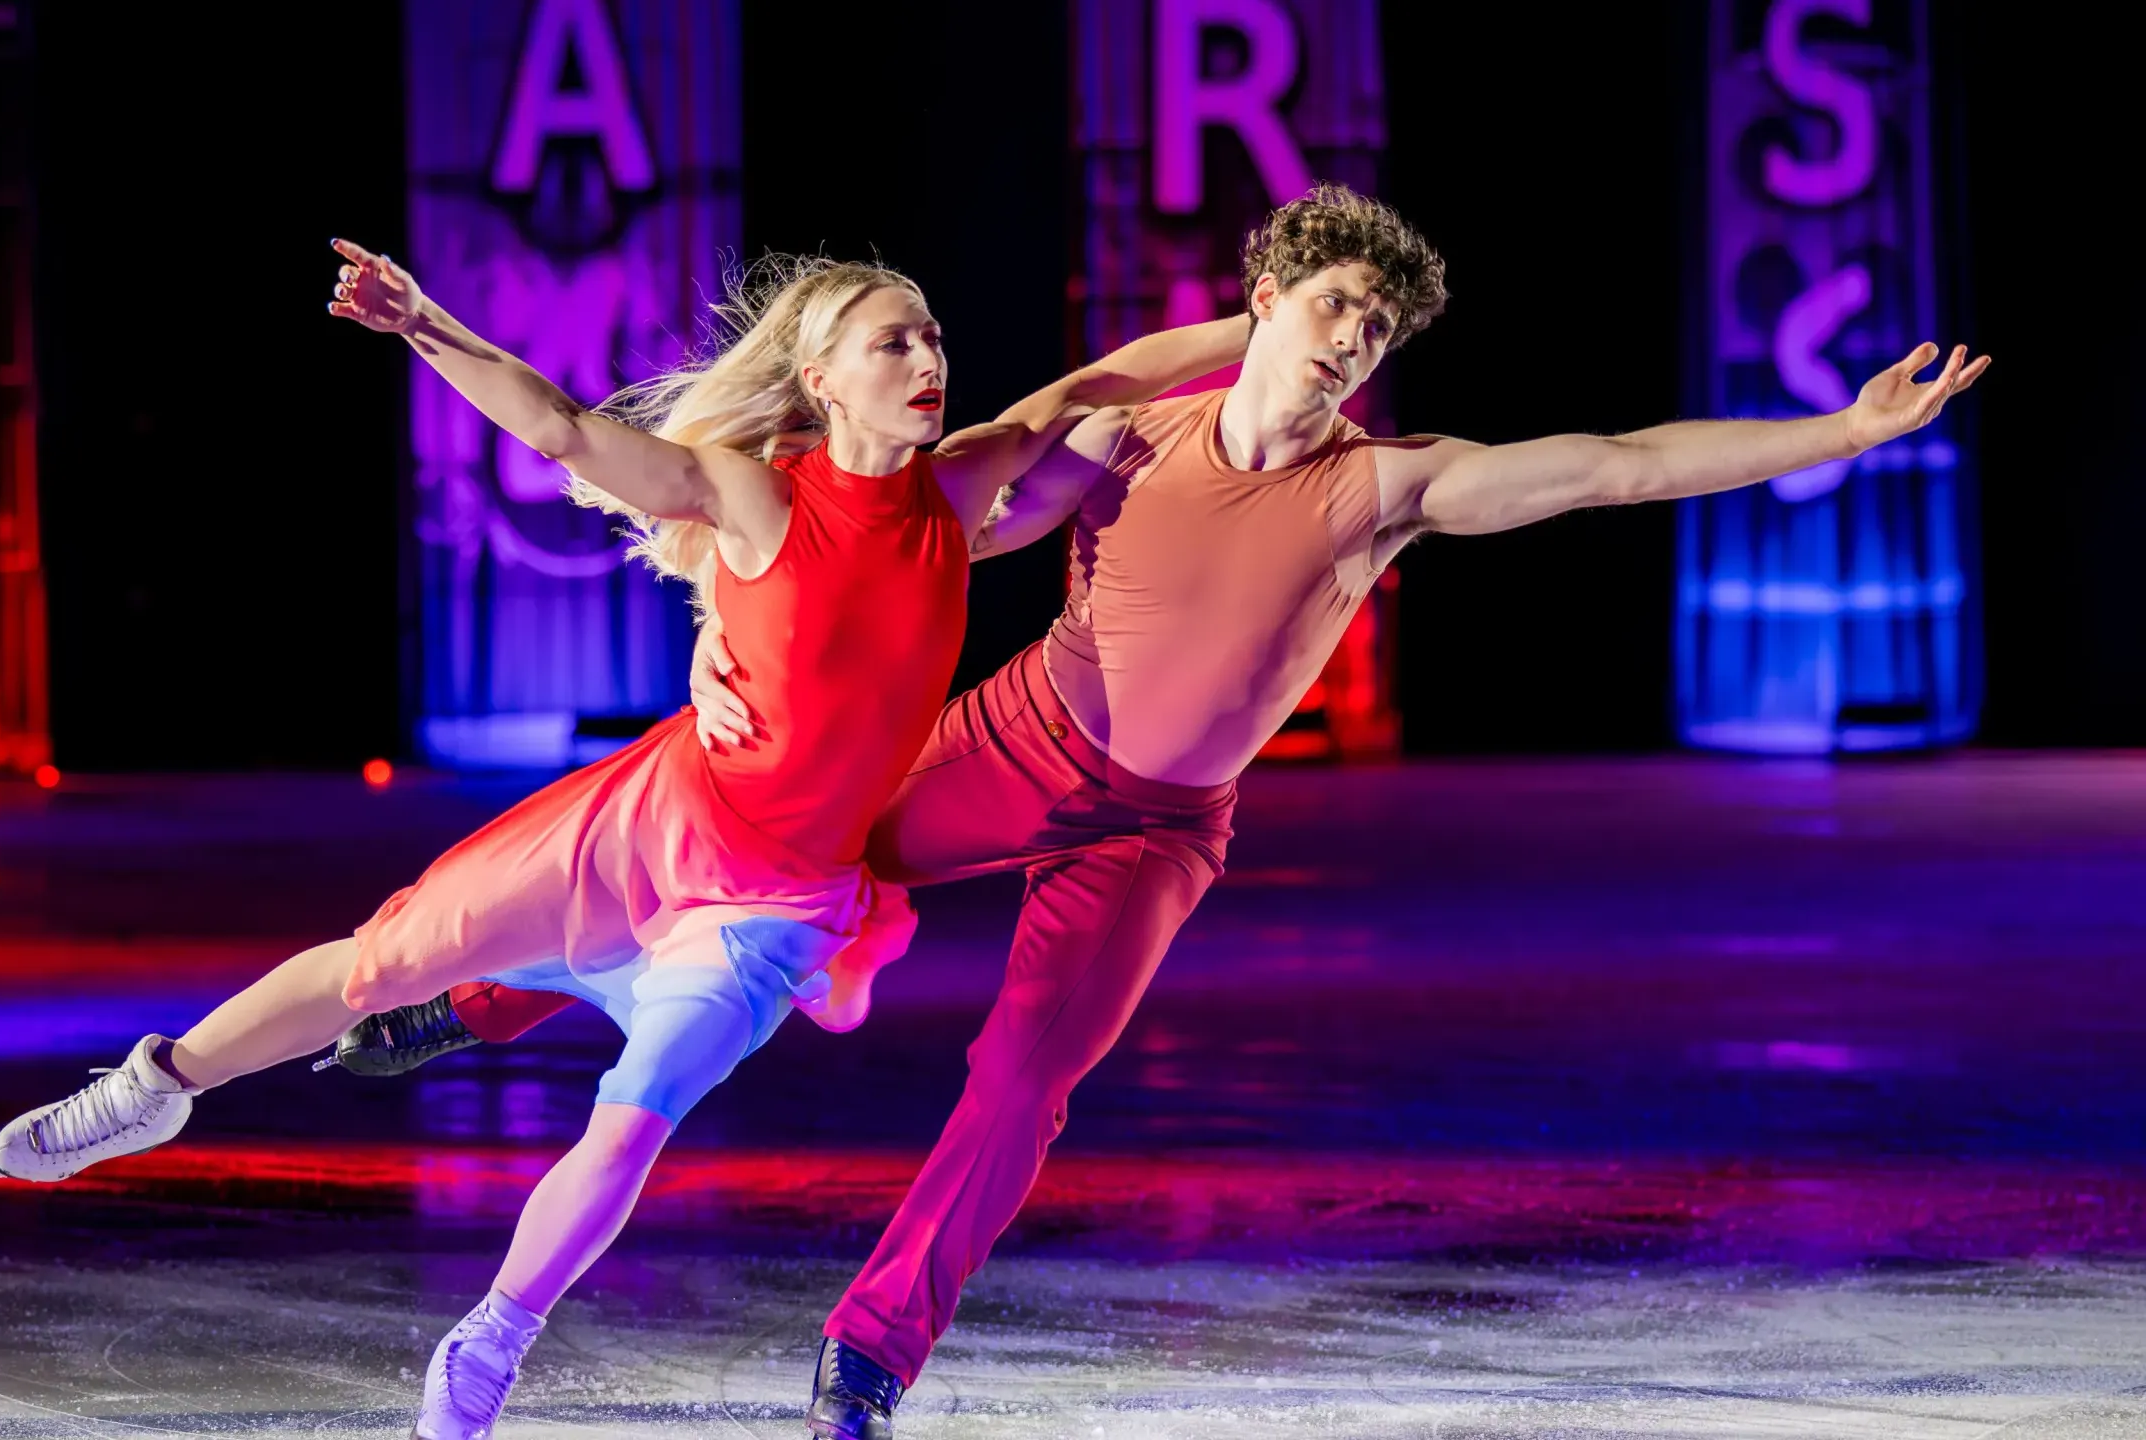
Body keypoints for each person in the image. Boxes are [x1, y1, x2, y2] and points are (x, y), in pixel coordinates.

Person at [341, 184, 1991, 1440]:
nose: (1353, 346)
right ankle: (479, 999)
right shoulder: (1128, 437)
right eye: (1336, 308)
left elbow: (1614, 460)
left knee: (1024, 1081)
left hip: (1155, 833)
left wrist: (1837, 432)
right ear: (1268, 301)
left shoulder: (1388, 486)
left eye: (1379, 334)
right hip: (1014, 738)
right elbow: (919, 525)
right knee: (782, 839)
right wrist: (742, 579)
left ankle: (868, 1357)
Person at [0, 239, 1249, 1440]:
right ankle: (155, 1087)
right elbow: (566, 430)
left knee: (631, 1118)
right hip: (650, 825)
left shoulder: (959, 485)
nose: (929, 363)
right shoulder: (755, 497)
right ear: (820, 378)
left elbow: (1101, 379)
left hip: (774, 904)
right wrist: (424, 325)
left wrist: (1275, 331)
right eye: (894, 345)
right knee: (380, 961)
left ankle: (489, 1341)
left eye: (931, 340)